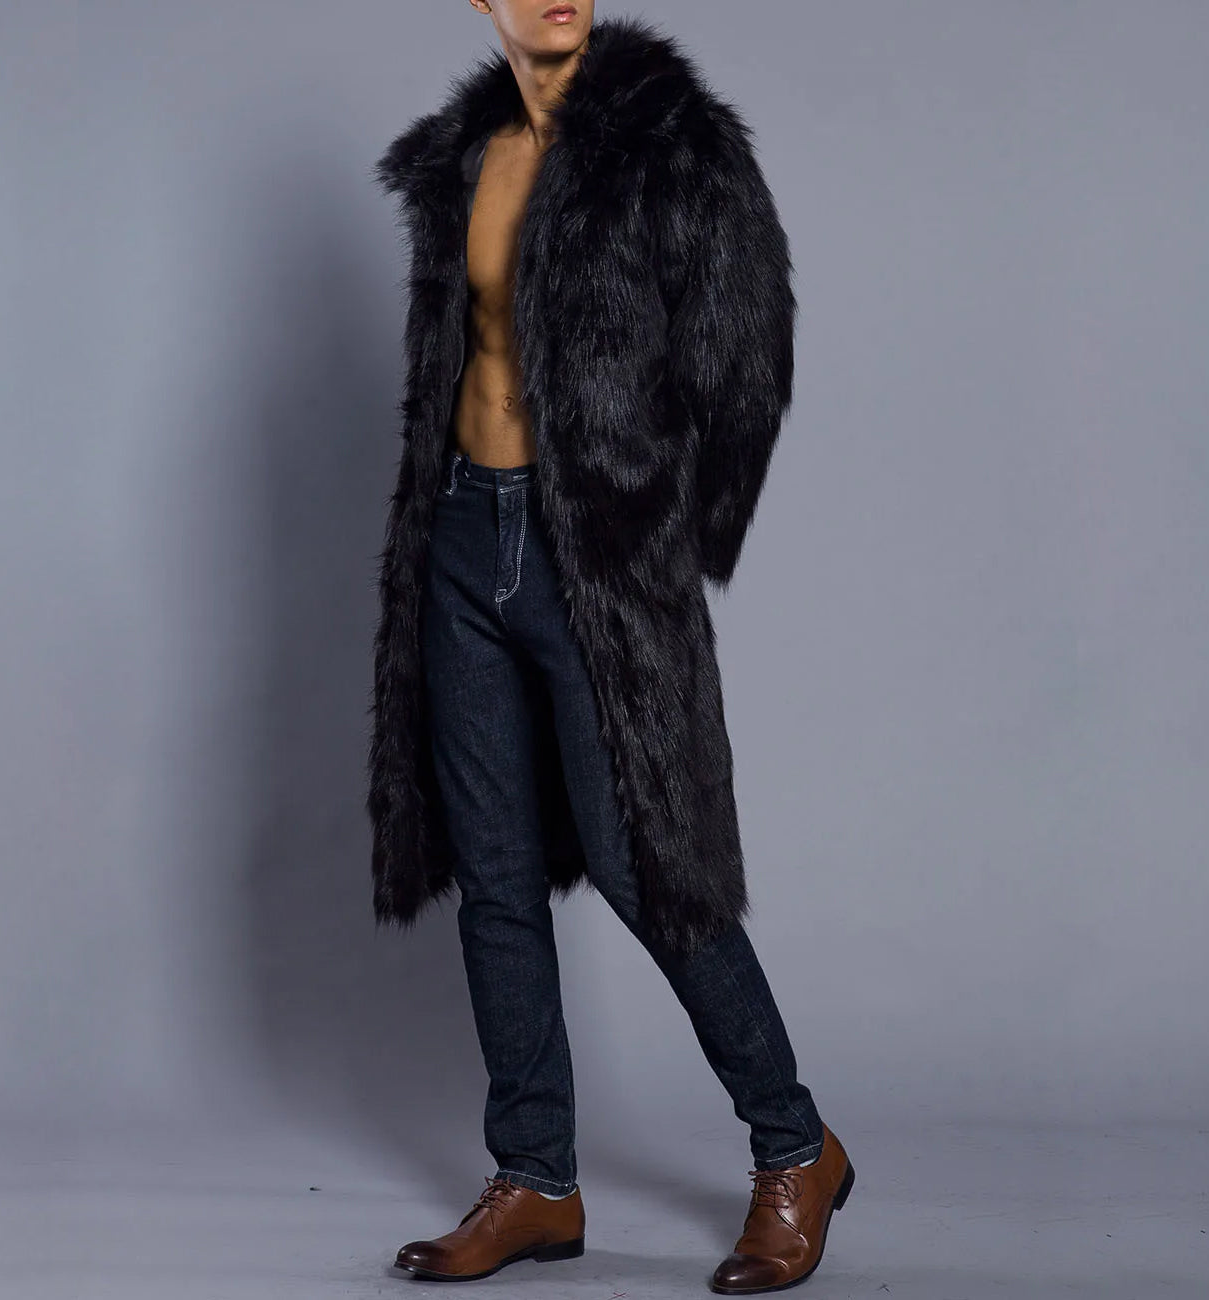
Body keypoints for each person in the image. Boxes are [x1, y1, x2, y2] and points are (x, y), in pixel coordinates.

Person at [368, 3, 854, 1291]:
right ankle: (536, 1178)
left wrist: (659, 535)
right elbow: (449, 363)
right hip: (458, 536)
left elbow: (750, 356)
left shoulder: (671, 141)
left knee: (652, 864)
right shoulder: (462, 158)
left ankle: (794, 1147)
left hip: (592, 554)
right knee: (495, 877)